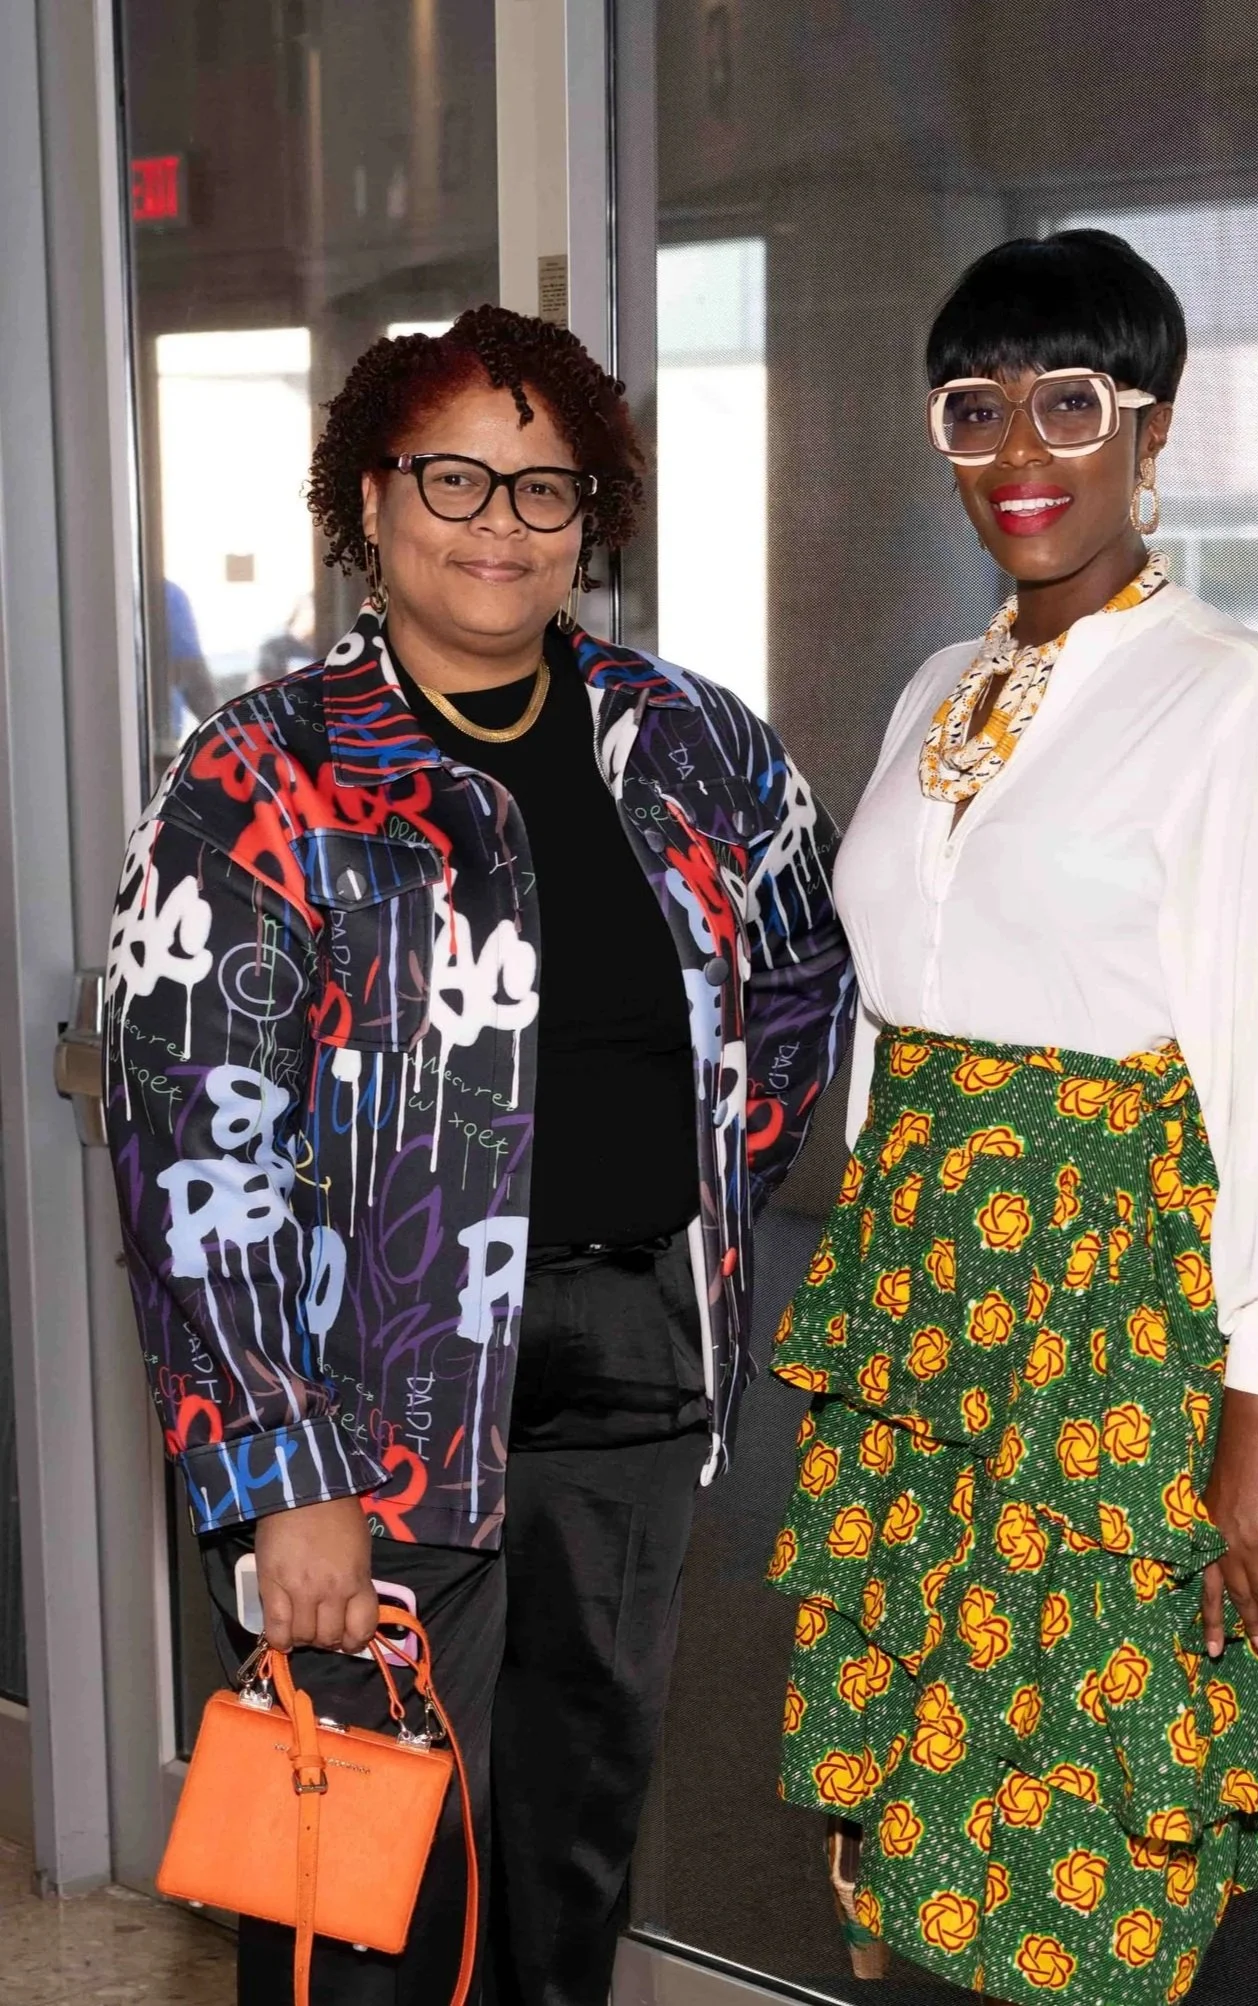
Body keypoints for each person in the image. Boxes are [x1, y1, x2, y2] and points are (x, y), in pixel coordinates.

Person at [104, 303, 853, 2005]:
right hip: (364, 1400)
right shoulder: (260, 775)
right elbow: (192, 1145)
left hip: (633, 1369)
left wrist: (707, 1182)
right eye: (454, 477)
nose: (498, 523)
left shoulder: (693, 742)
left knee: (571, 1853)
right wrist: (280, 1468)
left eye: (543, 486)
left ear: (592, 518)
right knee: (360, 1889)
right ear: (370, 501)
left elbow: (806, 966)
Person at [764, 231, 1258, 2003]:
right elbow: (895, 1011)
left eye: (1070, 403)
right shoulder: (930, 693)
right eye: (976, 410)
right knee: (928, 1799)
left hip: (1110, 1323)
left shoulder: (1240, 699)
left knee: (1084, 1808)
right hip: (927, 1311)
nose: (1019, 451)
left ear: (1153, 428)